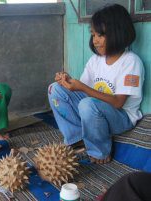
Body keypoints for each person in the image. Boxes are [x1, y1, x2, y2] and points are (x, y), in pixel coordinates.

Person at [48, 4, 144, 164]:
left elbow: (118, 103)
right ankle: (77, 138)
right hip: (94, 111)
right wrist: (68, 81)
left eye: (100, 35)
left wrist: (82, 87)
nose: (95, 41)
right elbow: (81, 90)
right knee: (55, 89)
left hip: (121, 117)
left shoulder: (131, 62)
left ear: (117, 34)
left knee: (88, 104)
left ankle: (100, 151)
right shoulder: (95, 60)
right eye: (93, 35)